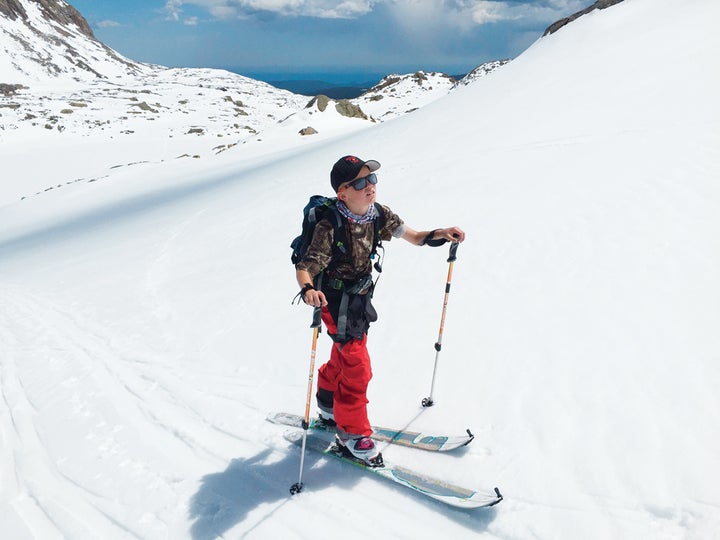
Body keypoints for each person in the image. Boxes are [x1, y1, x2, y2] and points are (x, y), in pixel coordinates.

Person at [295, 155, 465, 466]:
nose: (370, 186)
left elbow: (413, 236)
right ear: (342, 192)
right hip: (333, 300)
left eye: (372, 179)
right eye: (360, 183)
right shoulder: (329, 224)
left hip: (360, 298)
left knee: (345, 354)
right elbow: (305, 267)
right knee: (358, 366)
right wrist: (309, 290)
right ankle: (350, 433)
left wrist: (439, 233)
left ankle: (327, 399)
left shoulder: (378, 215)